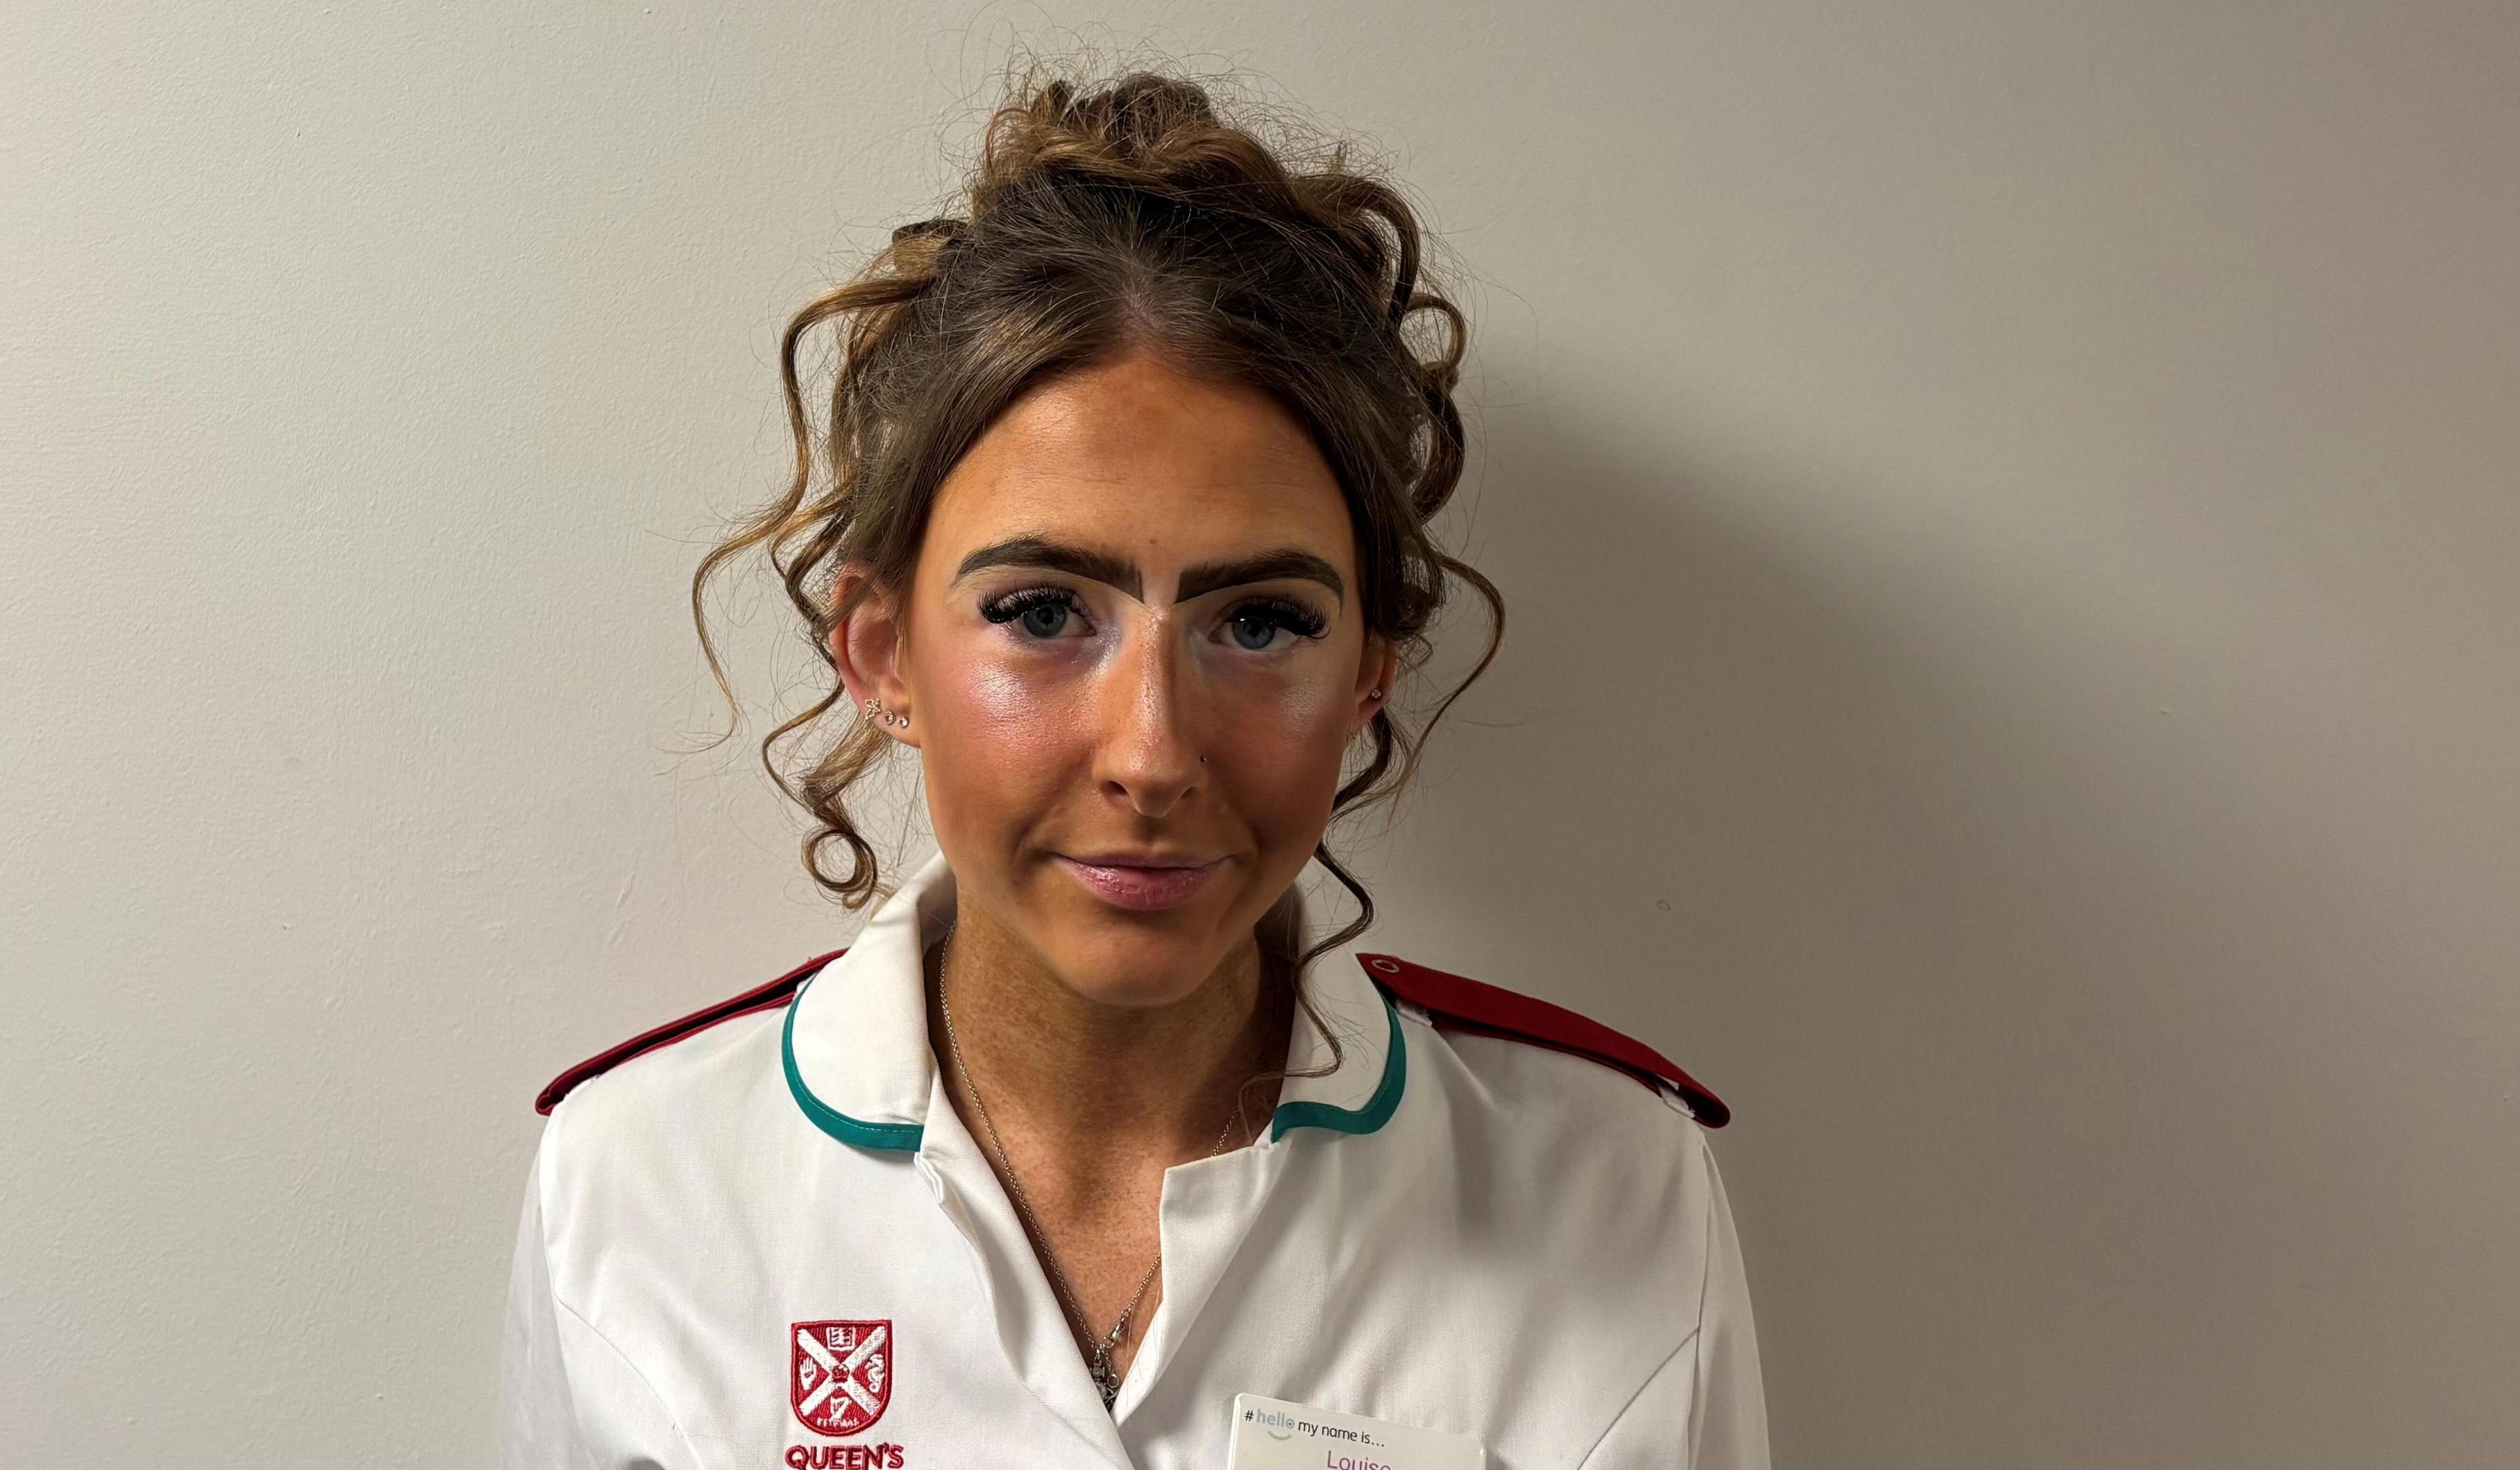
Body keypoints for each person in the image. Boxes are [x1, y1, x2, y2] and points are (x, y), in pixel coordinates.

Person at [502, 68, 1770, 1470]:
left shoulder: (1609, 1187)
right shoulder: (634, 1190)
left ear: (1366, 674)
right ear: (881, 657)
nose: (1154, 752)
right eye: (1043, 614)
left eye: (1261, 621)